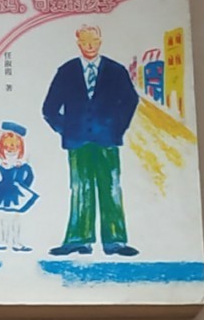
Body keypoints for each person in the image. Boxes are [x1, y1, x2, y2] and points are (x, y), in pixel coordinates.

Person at [42, 24, 139, 256]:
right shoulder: (66, 71)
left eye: (94, 41)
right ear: (78, 43)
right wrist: (66, 130)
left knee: (111, 187)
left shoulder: (116, 70)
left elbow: (130, 101)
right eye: (85, 41)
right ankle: (79, 240)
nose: (90, 46)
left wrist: (118, 128)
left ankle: (115, 240)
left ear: (100, 41)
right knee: (80, 187)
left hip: (107, 139)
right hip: (77, 141)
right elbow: (49, 108)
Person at [0, 120, 38, 252]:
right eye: (7, 146)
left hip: (17, 193)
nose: (11, 148)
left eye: (15, 146)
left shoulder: (22, 164)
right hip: (4, 192)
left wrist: (23, 187)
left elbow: (30, 176)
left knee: (16, 218)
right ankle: (3, 241)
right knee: (5, 218)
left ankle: (16, 243)